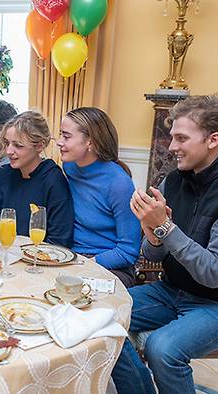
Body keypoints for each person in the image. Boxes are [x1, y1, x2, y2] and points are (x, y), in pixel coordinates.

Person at [112, 94, 218, 394]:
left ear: (213, 139)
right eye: (171, 137)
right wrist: (152, 232)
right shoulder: (174, 181)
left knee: (162, 348)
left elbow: (215, 272)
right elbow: (153, 254)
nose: (171, 147)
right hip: (173, 290)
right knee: (101, 318)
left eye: (181, 138)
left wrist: (165, 227)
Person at [56, 107, 141, 287]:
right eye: (60, 135)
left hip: (111, 266)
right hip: (72, 258)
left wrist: (88, 265)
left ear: (90, 142)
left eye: (66, 136)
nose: (59, 142)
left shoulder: (119, 184)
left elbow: (128, 250)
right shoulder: (70, 168)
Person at [0, 110, 74, 247]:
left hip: (39, 261)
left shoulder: (53, 180)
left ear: (40, 146)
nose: (8, 151)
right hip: (3, 254)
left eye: (18, 145)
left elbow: (59, 241)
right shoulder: (1, 175)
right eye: (7, 143)